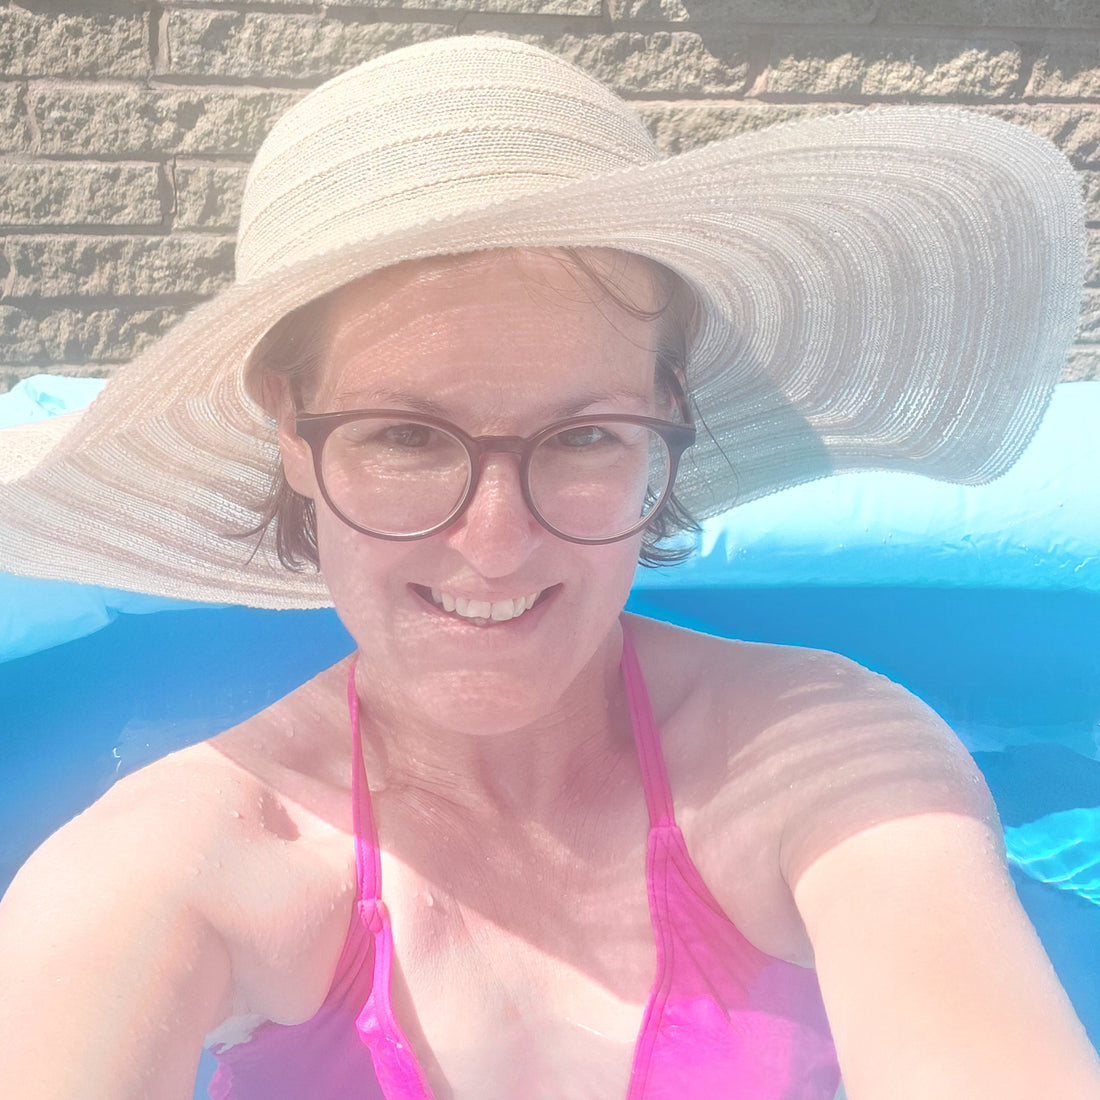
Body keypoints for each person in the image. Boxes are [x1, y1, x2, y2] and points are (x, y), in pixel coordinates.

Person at [0, 34, 1098, 1100]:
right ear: (289, 431)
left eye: (581, 437)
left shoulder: (826, 761)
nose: (494, 541)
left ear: (662, 424)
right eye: (404, 434)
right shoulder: (172, 861)